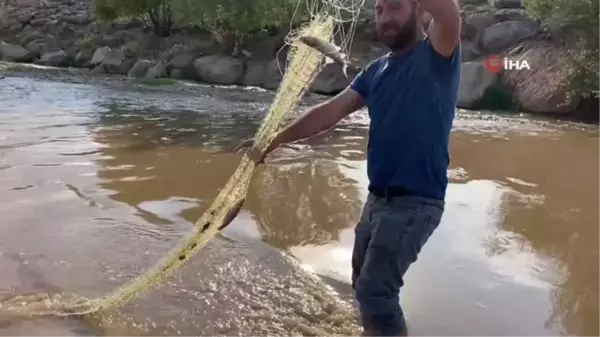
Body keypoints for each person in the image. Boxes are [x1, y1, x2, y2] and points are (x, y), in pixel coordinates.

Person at [236, 0, 461, 335]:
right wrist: (274, 141)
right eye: (380, 9)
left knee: (376, 293)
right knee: (362, 284)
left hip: (416, 202)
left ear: (420, 11)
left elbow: (449, 13)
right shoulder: (376, 71)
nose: (385, 18)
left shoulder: (438, 54)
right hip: (376, 201)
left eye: (395, 7)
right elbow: (331, 110)